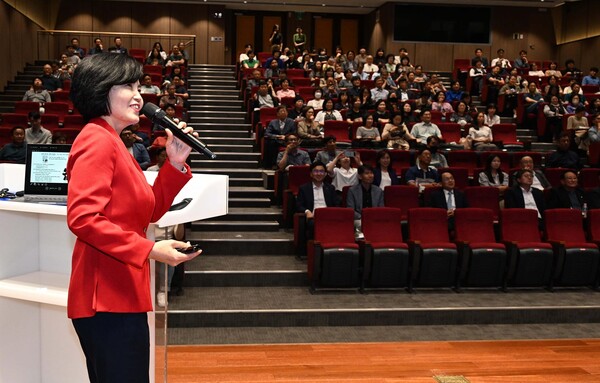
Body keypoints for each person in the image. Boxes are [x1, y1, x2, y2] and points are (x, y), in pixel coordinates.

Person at [66, 53, 200, 383]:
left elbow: (148, 211)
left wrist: (175, 162)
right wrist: (150, 250)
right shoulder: (97, 140)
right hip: (106, 299)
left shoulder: (113, 142)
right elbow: (83, 218)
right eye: (128, 85)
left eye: (139, 86)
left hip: (121, 293)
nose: (139, 95)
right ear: (100, 90)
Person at [296, 161, 338, 240]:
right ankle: (315, 246)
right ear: (311, 174)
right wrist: (307, 211)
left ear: (325, 174)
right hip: (313, 217)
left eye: (321, 171)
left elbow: (336, 204)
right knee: (313, 224)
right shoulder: (304, 188)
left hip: (329, 216)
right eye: (316, 171)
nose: (319, 174)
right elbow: (299, 205)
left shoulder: (330, 188)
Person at [346, 165, 384, 237]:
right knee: (361, 224)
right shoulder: (352, 190)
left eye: (371, 173)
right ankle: (363, 243)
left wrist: (372, 217)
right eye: (367, 173)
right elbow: (350, 209)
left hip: (374, 218)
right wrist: (363, 217)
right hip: (358, 218)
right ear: (360, 176)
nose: (370, 176)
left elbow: (381, 208)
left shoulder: (379, 191)